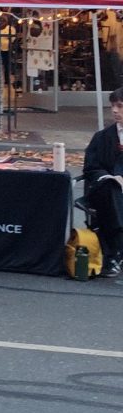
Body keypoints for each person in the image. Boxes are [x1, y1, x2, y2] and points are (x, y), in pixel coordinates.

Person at [83, 87, 123, 278]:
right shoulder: (102, 137)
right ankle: (118, 248)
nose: (115, 110)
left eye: (120, 106)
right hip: (104, 190)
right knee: (111, 188)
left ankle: (113, 252)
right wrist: (109, 178)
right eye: (113, 106)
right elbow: (91, 167)